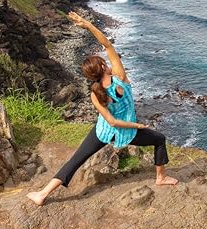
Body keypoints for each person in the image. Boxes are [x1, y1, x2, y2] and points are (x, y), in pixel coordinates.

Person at [27, 11, 178, 206]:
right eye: (103, 62)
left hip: (104, 132)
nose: (106, 62)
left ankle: (42, 194)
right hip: (127, 133)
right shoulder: (121, 79)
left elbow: (111, 121)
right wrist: (138, 126)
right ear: (103, 66)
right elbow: (107, 44)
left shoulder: (95, 92)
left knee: (77, 159)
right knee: (159, 139)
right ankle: (160, 177)